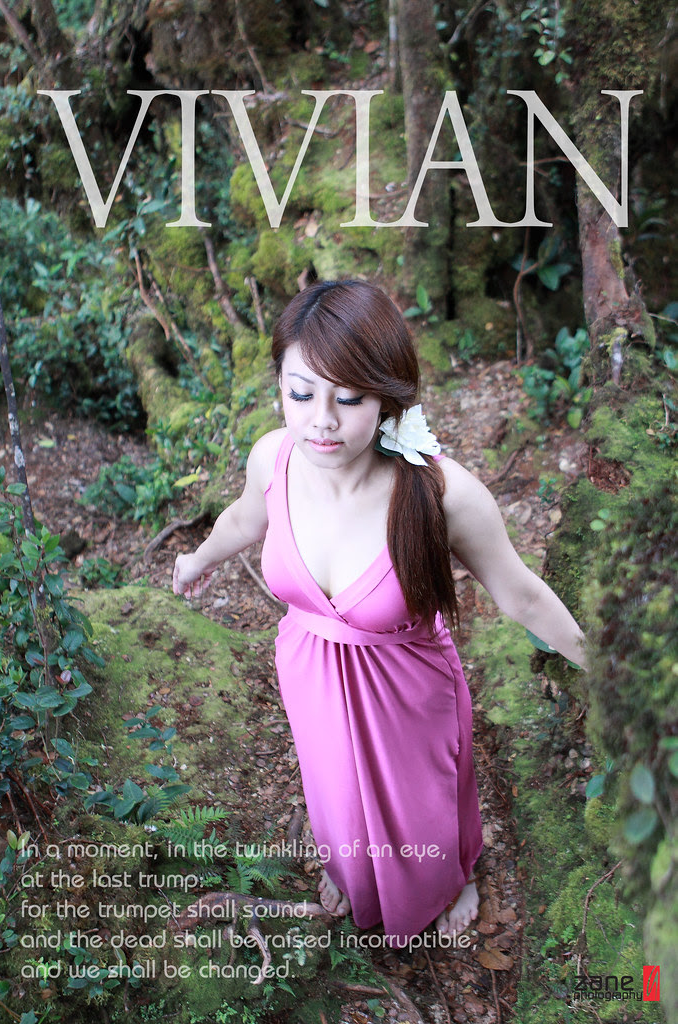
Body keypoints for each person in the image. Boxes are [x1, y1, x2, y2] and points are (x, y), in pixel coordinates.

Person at [172, 279, 586, 948]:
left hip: (406, 689)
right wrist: (198, 560)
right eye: (300, 393)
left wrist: (603, 664)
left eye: (348, 398)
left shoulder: (441, 493)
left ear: (388, 395)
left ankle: (451, 878)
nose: (321, 421)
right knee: (333, 787)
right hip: (309, 674)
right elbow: (245, 518)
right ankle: (353, 870)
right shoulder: (273, 459)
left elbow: (521, 594)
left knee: (421, 803)